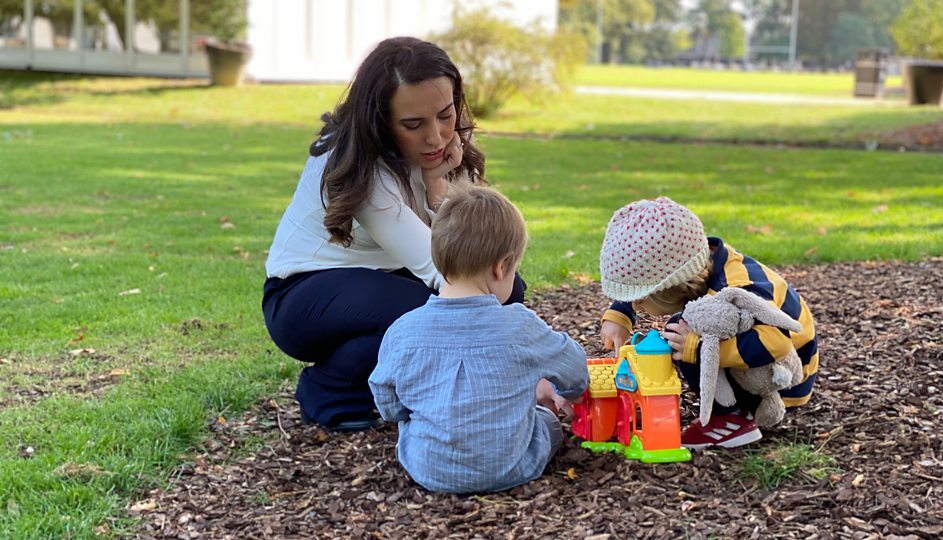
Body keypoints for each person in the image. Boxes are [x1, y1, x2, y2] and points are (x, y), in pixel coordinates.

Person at [262, 37, 526, 432]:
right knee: (441, 306)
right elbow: (445, 274)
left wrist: (438, 187)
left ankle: (365, 382)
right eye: (413, 125)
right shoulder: (358, 167)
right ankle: (330, 392)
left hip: (381, 281)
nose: (436, 137)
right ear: (379, 122)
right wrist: (526, 363)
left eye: (445, 114)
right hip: (304, 298)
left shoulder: (441, 150)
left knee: (505, 285)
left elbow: (471, 250)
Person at [369, 186, 589, 494]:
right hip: (513, 464)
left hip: (429, 468)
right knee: (546, 421)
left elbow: (385, 395)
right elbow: (575, 365)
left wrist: (407, 413)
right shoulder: (520, 325)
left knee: (414, 423)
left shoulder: (404, 330)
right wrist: (570, 391)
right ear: (501, 267)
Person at [597, 197, 818, 450]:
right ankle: (728, 404)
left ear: (675, 285)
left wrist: (698, 350)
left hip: (782, 378)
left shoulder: (738, 288)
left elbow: (777, 343)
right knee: (685, 330)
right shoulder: (691, 260)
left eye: (639, 299)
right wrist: (620, 314)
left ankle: (732, 419)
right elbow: (647, 273)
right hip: (759, 359)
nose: (636, 306)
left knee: (681, 331)